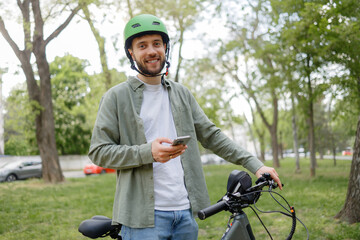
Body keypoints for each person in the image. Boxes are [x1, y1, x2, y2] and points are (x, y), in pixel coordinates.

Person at [88, 14, 282, 240]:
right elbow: (98, 151)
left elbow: (212, 135)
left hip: (185, 215)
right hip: (143, 220)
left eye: (157, 44)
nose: (151, 51)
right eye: (142, 45)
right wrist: (147, 152)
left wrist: (256, 165)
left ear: (165, 48)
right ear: (131, 53)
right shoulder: (116, 97)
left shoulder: (181, 94)